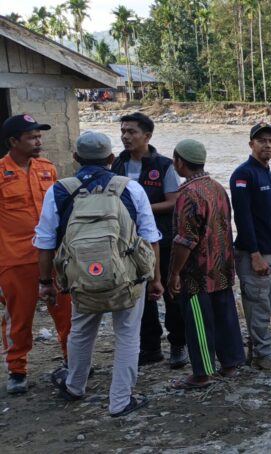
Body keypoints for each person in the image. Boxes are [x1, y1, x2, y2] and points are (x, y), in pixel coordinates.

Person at [37, 131, 161, 417]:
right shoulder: (130, 188)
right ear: (111, 158)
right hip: (127, 278)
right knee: (127, 335)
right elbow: (150, 238)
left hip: (81, 277)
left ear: (76, 158)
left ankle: (74, 386)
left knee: (81, 331)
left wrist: (46, 283)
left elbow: (45, 243)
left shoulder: (58, 190)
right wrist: (156, 279)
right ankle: (120, 400)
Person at [165, 139, 246, 389]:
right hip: (221, 265)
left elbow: (186, 239)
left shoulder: (188, 194)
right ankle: (230, 364)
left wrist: (174, 272)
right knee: (224, 315)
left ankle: (202, 373)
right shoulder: (217, 187)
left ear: (179, 162)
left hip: (197, 272)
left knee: (199, 320)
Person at [0, 114, 71, 395]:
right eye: (32, 137)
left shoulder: (47, 169)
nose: (38, 141)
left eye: (39, 136)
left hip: (53, 256)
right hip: (16, 259)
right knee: (19, 318)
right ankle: (17, 370)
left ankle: (73, 360)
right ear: (13, 141)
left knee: (66, 312)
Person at [111, 112, 186, 368]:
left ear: (147, 136)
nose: (125, 136)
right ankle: (150, 347)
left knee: (170, 292)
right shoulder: (118, 164)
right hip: (127, 244)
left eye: (131, 132)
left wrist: (140, 210)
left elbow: (173, 201)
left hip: (161, 241)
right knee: (139, 294)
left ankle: (178, 344)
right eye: (123, 131)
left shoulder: (163, 165)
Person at [230, 122, 271, 371]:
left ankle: (255, 349)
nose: (267, 145)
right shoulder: (244, 174)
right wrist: (254, 255)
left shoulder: (268, 174)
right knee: (258, 305)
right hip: (254, 254)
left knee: (267, 305)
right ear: (251, 144)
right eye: (262, 140)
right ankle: (264, 354)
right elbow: (243, 218)